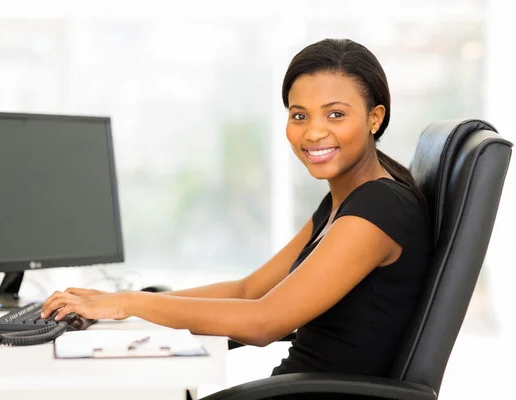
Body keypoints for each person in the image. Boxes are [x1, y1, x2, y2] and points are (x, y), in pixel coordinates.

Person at [41, 38, 432, 399]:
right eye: (299, 115)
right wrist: (127, 301)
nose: (314, 132)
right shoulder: (345, 201)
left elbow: (265, 321)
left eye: (335, 114)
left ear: (374, 118)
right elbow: (250, 290)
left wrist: (128, 304)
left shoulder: (378, 209)